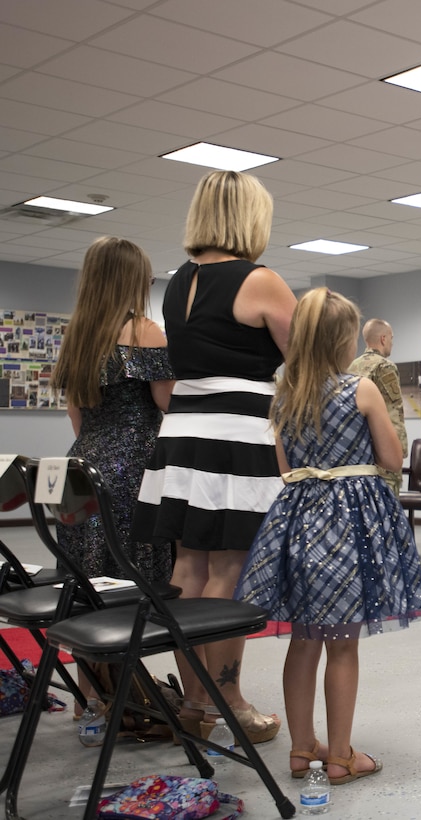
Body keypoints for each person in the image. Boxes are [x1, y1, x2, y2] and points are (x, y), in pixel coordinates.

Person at [235, 288, 421, 784]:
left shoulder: (282, 396)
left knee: (303, 639)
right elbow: (392, 460)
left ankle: (302, 750)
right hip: (350, 524)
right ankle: (342, 756)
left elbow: (286, 469)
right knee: (343, 644)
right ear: (345, 341)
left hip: (298, 522)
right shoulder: (361, 389)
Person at [131, 169, 298, 744]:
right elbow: (307, 359)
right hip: (235, 434)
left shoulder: (178, 281)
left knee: (187, 567)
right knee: (230, 570)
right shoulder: (262, 280)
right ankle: (229, 700)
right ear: (250, 217)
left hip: (182, 433)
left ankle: (195, 703)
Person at [53, 237, 175, 585]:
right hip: (133, 468)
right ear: (132, 282)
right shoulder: (144, 331)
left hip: (80, 465)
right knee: (134, 572)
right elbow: (167, 401)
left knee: (84, 571)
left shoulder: (77, 336)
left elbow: (75, 413)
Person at [347, 318, 408, 493]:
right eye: (391, 338)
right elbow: (393, 412)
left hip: (359, 453)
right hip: (382, 454)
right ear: (383, 339)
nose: (391, 343)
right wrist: (400, 451)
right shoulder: (385, 367)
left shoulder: (351, 366)